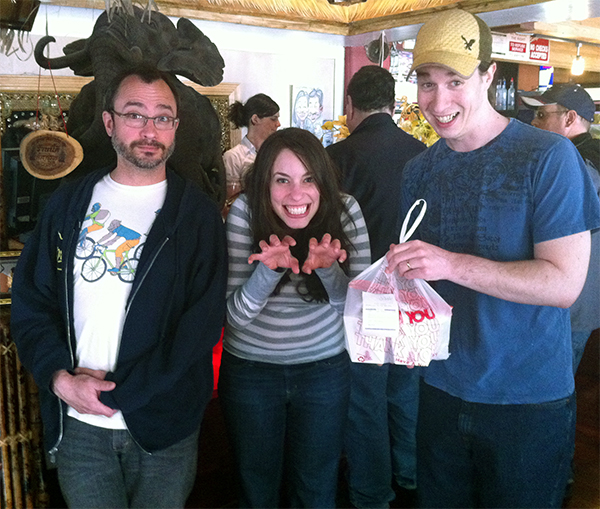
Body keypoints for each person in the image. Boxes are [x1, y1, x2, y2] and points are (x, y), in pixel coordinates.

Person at [384, 9, 600, 508]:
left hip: (526, 401)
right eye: (426, 82)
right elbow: (422, 284)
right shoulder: (419, 170)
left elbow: (563, 283)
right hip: (439, 388)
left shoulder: (547, 157)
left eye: (455, 81)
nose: (439, 101)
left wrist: (450, 264)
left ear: (488, 75)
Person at [11, 65, 228, 508]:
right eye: (135, 114)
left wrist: (123, 394)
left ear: (176, 127)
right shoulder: (68, 204)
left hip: (163, 426)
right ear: (109, 123)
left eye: (162, 117)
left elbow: (200, 326)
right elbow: (32, 303)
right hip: (80, 428)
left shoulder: (198, 215)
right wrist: (59, 380)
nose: (149, 130)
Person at [219, 127, 371, 508]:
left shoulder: (346, 210)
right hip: (252, 373)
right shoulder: (245, 212)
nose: (296, 195)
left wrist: (328, 271)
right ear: (265, 184)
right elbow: (234, 319)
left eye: (308, 179)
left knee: (317, 486)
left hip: (323, 371)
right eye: (282, 180)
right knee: (256, 485)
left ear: (323, 181)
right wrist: (266, 273)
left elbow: (361, 314)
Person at [326, 65, 426, 508]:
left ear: (351, 106)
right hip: (414, 289)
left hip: (361, 293)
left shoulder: (338, 157)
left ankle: (371, 493)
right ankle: (409, 473)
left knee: (365, 396)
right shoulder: (424, 153)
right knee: (406, 389)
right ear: (392, 105)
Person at [522, 83, 599, 373]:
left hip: (567, 305)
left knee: (550, 387)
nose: (533, 122)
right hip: (580, 301)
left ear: (569, 118)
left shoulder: (578, 165)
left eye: (542, 115)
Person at [223, 93, 280, 197]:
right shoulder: (234, 157)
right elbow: (231, 201)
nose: (278, 124)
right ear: (255, 119)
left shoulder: (276, 154)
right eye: (273, 118)